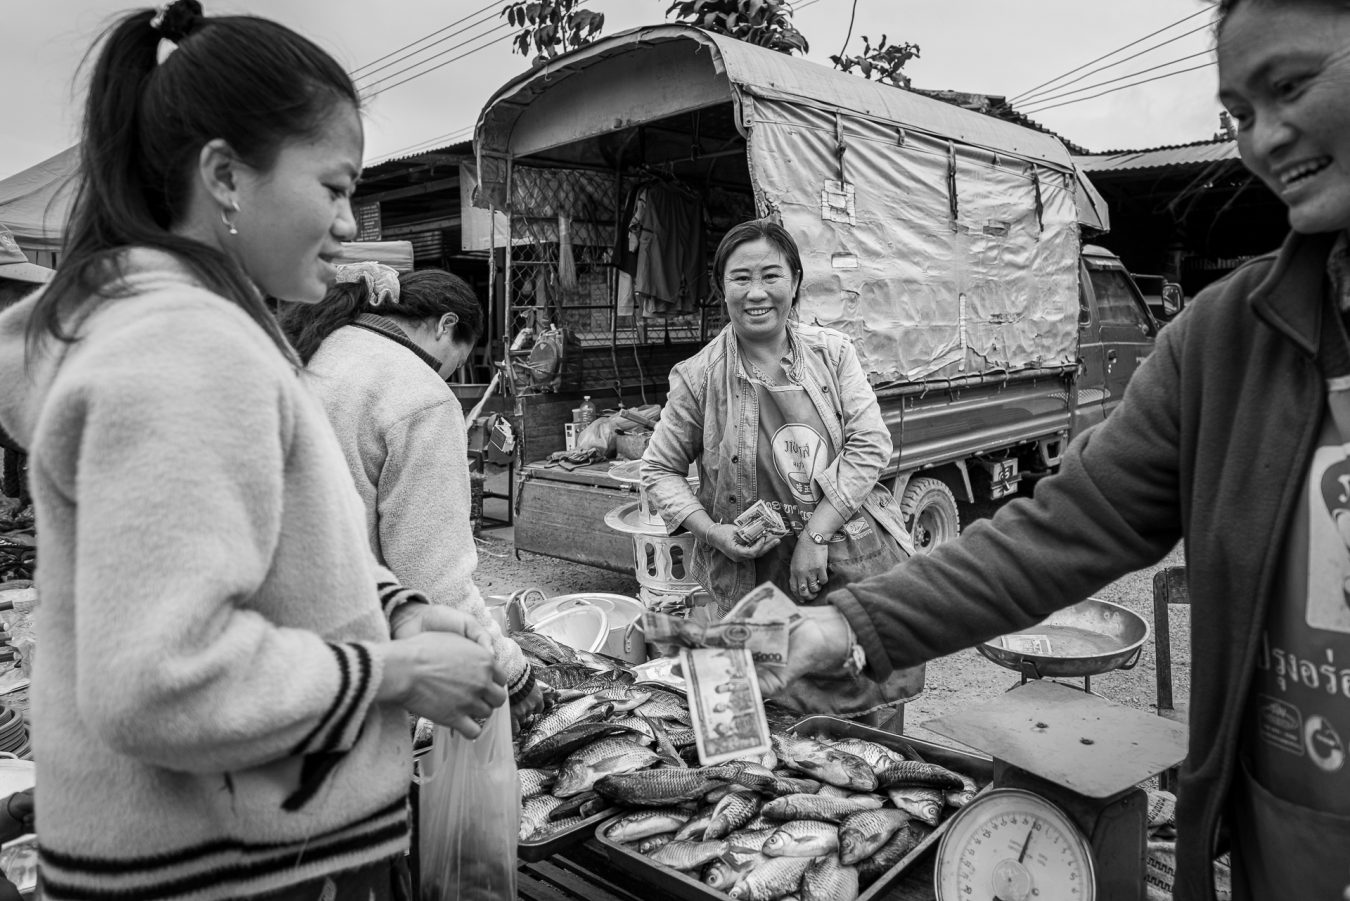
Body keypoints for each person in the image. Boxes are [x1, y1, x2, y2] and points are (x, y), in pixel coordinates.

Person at [766, 2, 1350, 897]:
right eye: (1236, 115)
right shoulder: (1225, 342)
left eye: (1291, 86)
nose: (1263, 140)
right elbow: (1064, 525)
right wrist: (855, 623)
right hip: (1291, 858)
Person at [0, 3, 507, 899]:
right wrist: (397, 672)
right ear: (226, 176)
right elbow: (159, 679)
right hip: (226, 872)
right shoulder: (180, 347)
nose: (353, 223)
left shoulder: (201, 329)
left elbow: (269, 552)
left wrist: (395, 610)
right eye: (336, 186)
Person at [641, 218, 920, 717]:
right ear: (721, 288)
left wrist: (815, 536)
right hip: (753, 577)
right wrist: (711, 533)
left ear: (795, 281)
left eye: (771, 276)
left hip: (851, 555)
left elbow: (871, 443)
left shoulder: (832, 354)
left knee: (867, 701)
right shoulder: (698, 376)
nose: (756, 293)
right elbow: (658, 469)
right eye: (739, 278)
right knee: (770, 712)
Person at [278, 263, 544, 728]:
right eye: (455, 362)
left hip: (290, 643)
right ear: (446, 325)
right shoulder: (420, 395)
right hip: (353, 661)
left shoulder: (321, 348)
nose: (447, 374)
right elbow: (435, 579)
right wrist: (512, 674)